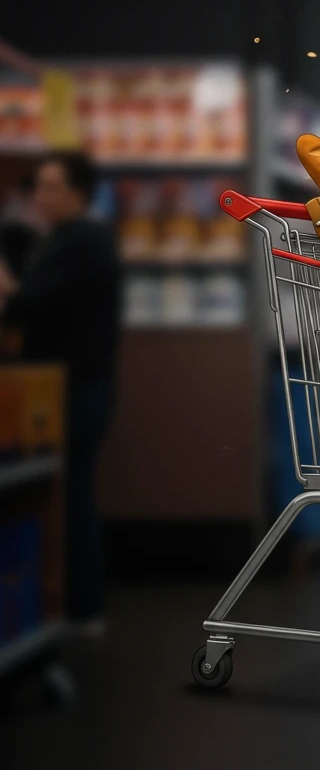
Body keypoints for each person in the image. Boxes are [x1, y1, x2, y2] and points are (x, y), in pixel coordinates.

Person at [0, 152, 121, 631]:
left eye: (52, 187)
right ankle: (74, 606)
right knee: (69, 493)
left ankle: (81, 608)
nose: (40, 197)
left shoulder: (83, 241)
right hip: (72, 386)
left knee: (70, 496)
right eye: (39, 186)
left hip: (75, 389)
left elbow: (30, 303)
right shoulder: (66, 239)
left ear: (80, 193)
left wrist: (7, 288)